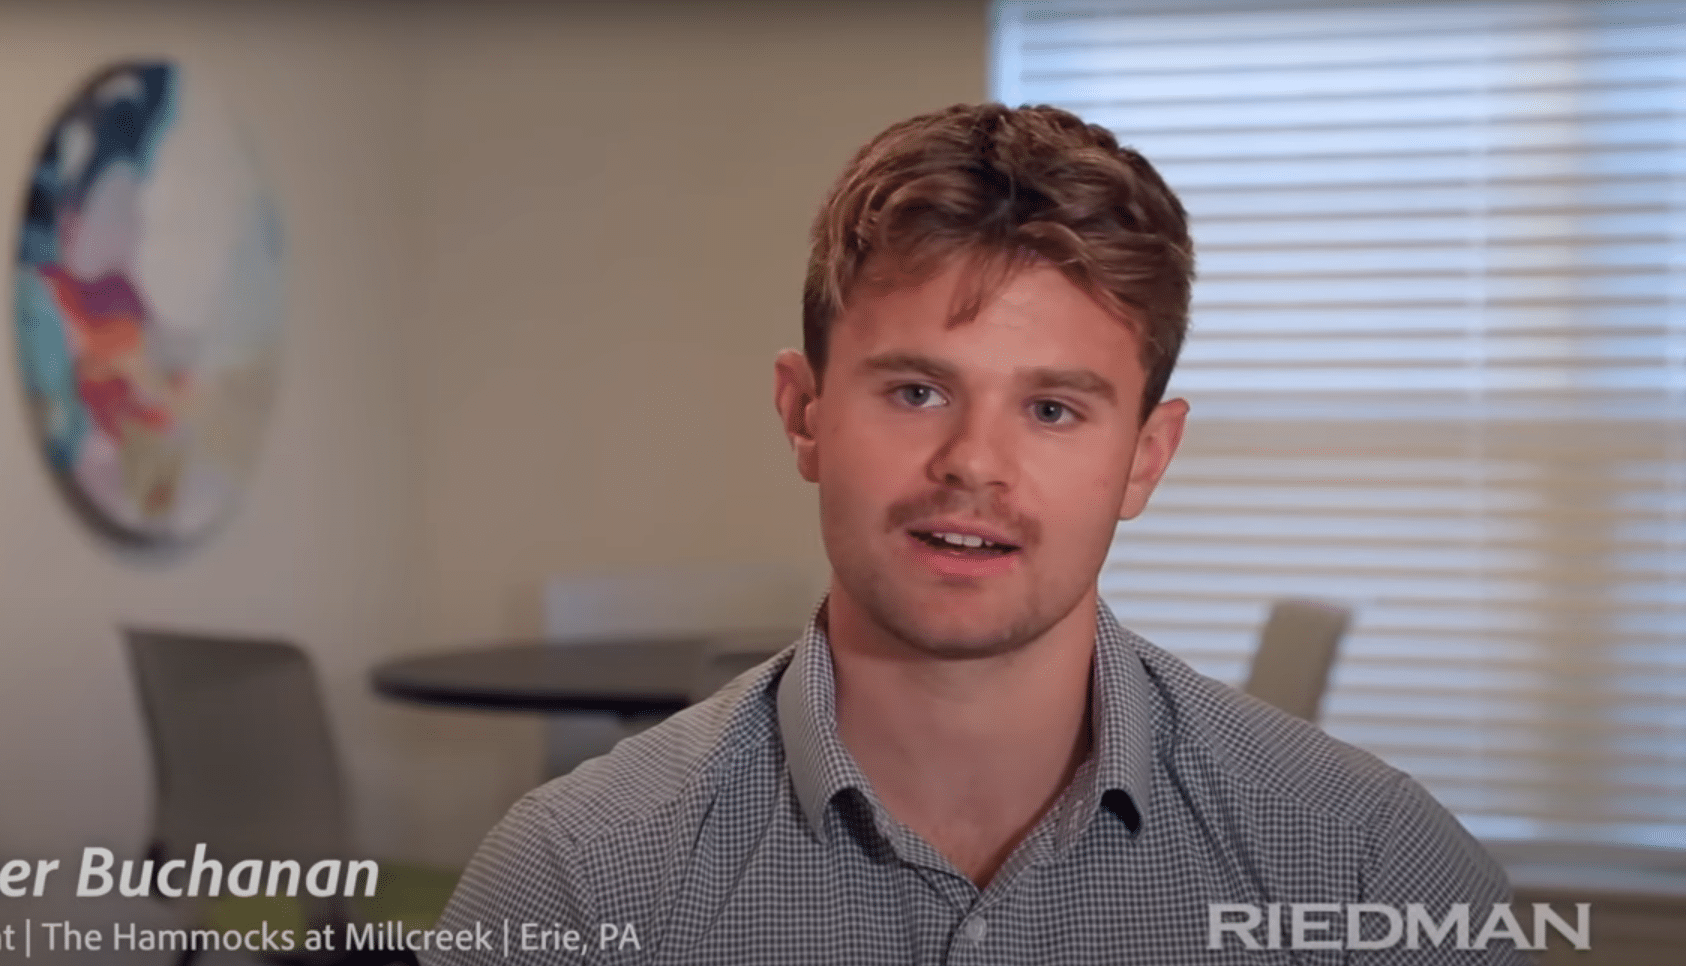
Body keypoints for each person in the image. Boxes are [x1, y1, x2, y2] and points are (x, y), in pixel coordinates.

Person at [427, 103, 1524, 963]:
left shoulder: (1371, 866)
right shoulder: (575, 880)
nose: (973, 463)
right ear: (804, 413)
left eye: (1053, 409)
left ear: (1146, 456)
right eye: (914, 392)